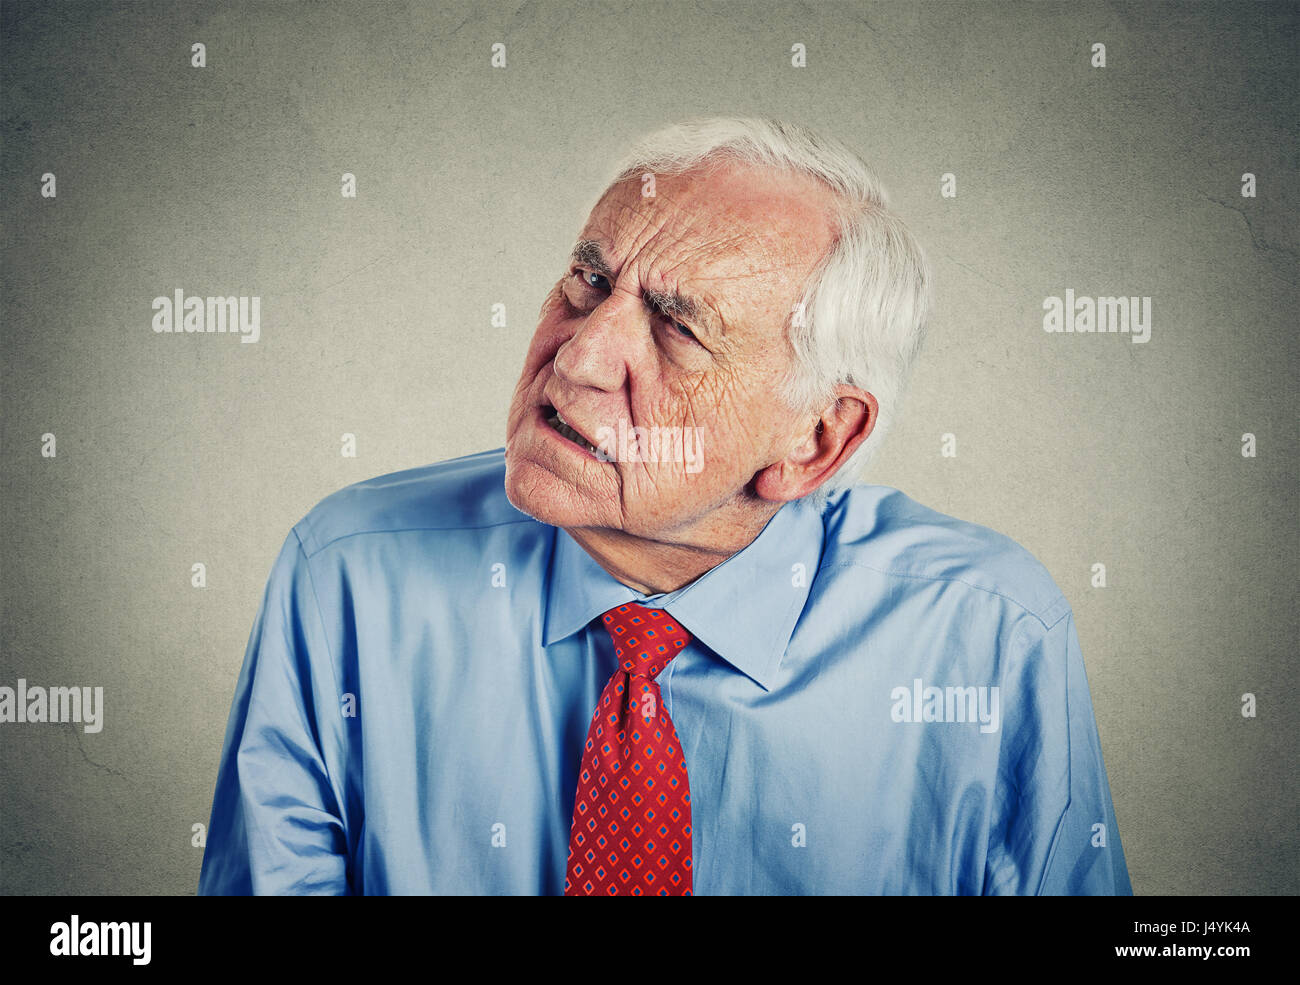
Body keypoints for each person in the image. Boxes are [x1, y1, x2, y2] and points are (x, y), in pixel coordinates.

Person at [198, 117, 1131, 895]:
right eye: (590, 282)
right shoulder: (348, 573)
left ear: (815, 441)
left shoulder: (987, 636)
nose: (579, 355)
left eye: (679, 328)